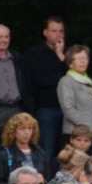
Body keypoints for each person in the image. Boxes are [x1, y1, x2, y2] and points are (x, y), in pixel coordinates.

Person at [19, 17, 67, 164]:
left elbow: (76, 76)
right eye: (54, 31)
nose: (58, 35)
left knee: (66, 151)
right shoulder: (34, 53)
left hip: (69, 110)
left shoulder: (69, 53)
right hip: (46, 109)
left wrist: (61, 56)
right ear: (45, 32)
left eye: (61, 31)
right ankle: (43, 182)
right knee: (46, 149)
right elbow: (37, 80)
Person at [0, 23, 34, 140]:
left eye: (6, 37)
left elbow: (27, 83)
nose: (4, 40)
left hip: (16, 108)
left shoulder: (17, 58)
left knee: (17, 145)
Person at [0, 112, 47, 184]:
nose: (27, 132)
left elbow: (49, 180)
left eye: (30, 128)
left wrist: (43, 181)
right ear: (13, 132)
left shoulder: (40, 153)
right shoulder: (4, 155)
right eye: (22, 129)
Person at [57, 44, 92, 144]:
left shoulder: (90, 81)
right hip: (75, 134)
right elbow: (68, 109)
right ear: (70, 63)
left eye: (85, 58)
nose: (83, 61)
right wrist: (90, 127)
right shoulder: (66, 81)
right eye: (79, 58)